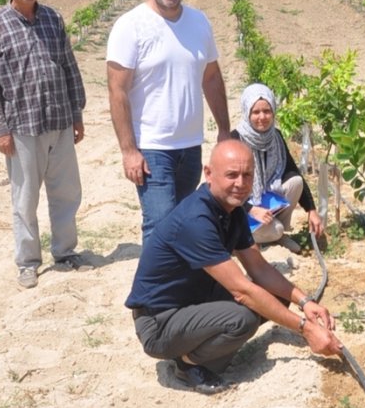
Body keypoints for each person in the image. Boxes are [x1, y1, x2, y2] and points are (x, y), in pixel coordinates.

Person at [125, 140, 342, 394]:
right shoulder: (196, 219)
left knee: (277, 298)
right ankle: (186, 363)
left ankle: (200, 345)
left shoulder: (232, 208)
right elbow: (242, 291)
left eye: (247, 175)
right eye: (231, 175)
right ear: (209, 174)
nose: (240, 183)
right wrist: (305, 329)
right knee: (243, 318)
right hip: (159, 321)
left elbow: (259, 268)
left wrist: (305, 302)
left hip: (194, 299)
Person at [0, 0, 90, 289]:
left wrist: (77, 113)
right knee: (25, 199)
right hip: (22, 126)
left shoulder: (53, 18)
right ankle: (27, 262)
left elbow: (68, 66)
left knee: (66, 192)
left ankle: (66, 252)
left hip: (58, 118)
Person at [106, 0, 231, 243]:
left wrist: (224, 130)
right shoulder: (130, 26)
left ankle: (178, 284)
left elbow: (211, 78)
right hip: (151, 147)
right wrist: (128, 150)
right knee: (159, 227)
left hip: (190, 146)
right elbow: (117, 90)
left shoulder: (199, 22)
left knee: (183, 221)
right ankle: (156, 289)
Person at [231, 82, 323, 254]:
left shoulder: (275, 137)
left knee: (295, 181)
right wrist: (252, 209)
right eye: (256, 112)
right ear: (246, 112)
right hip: (239, 209)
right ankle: (248, 239)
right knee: (277, 228)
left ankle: (272, 233)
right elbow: (227, 190)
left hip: (263, 201)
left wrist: (311, 210)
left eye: (267, 111)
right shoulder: (235, 140)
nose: (262, 117)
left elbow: (292, 171)